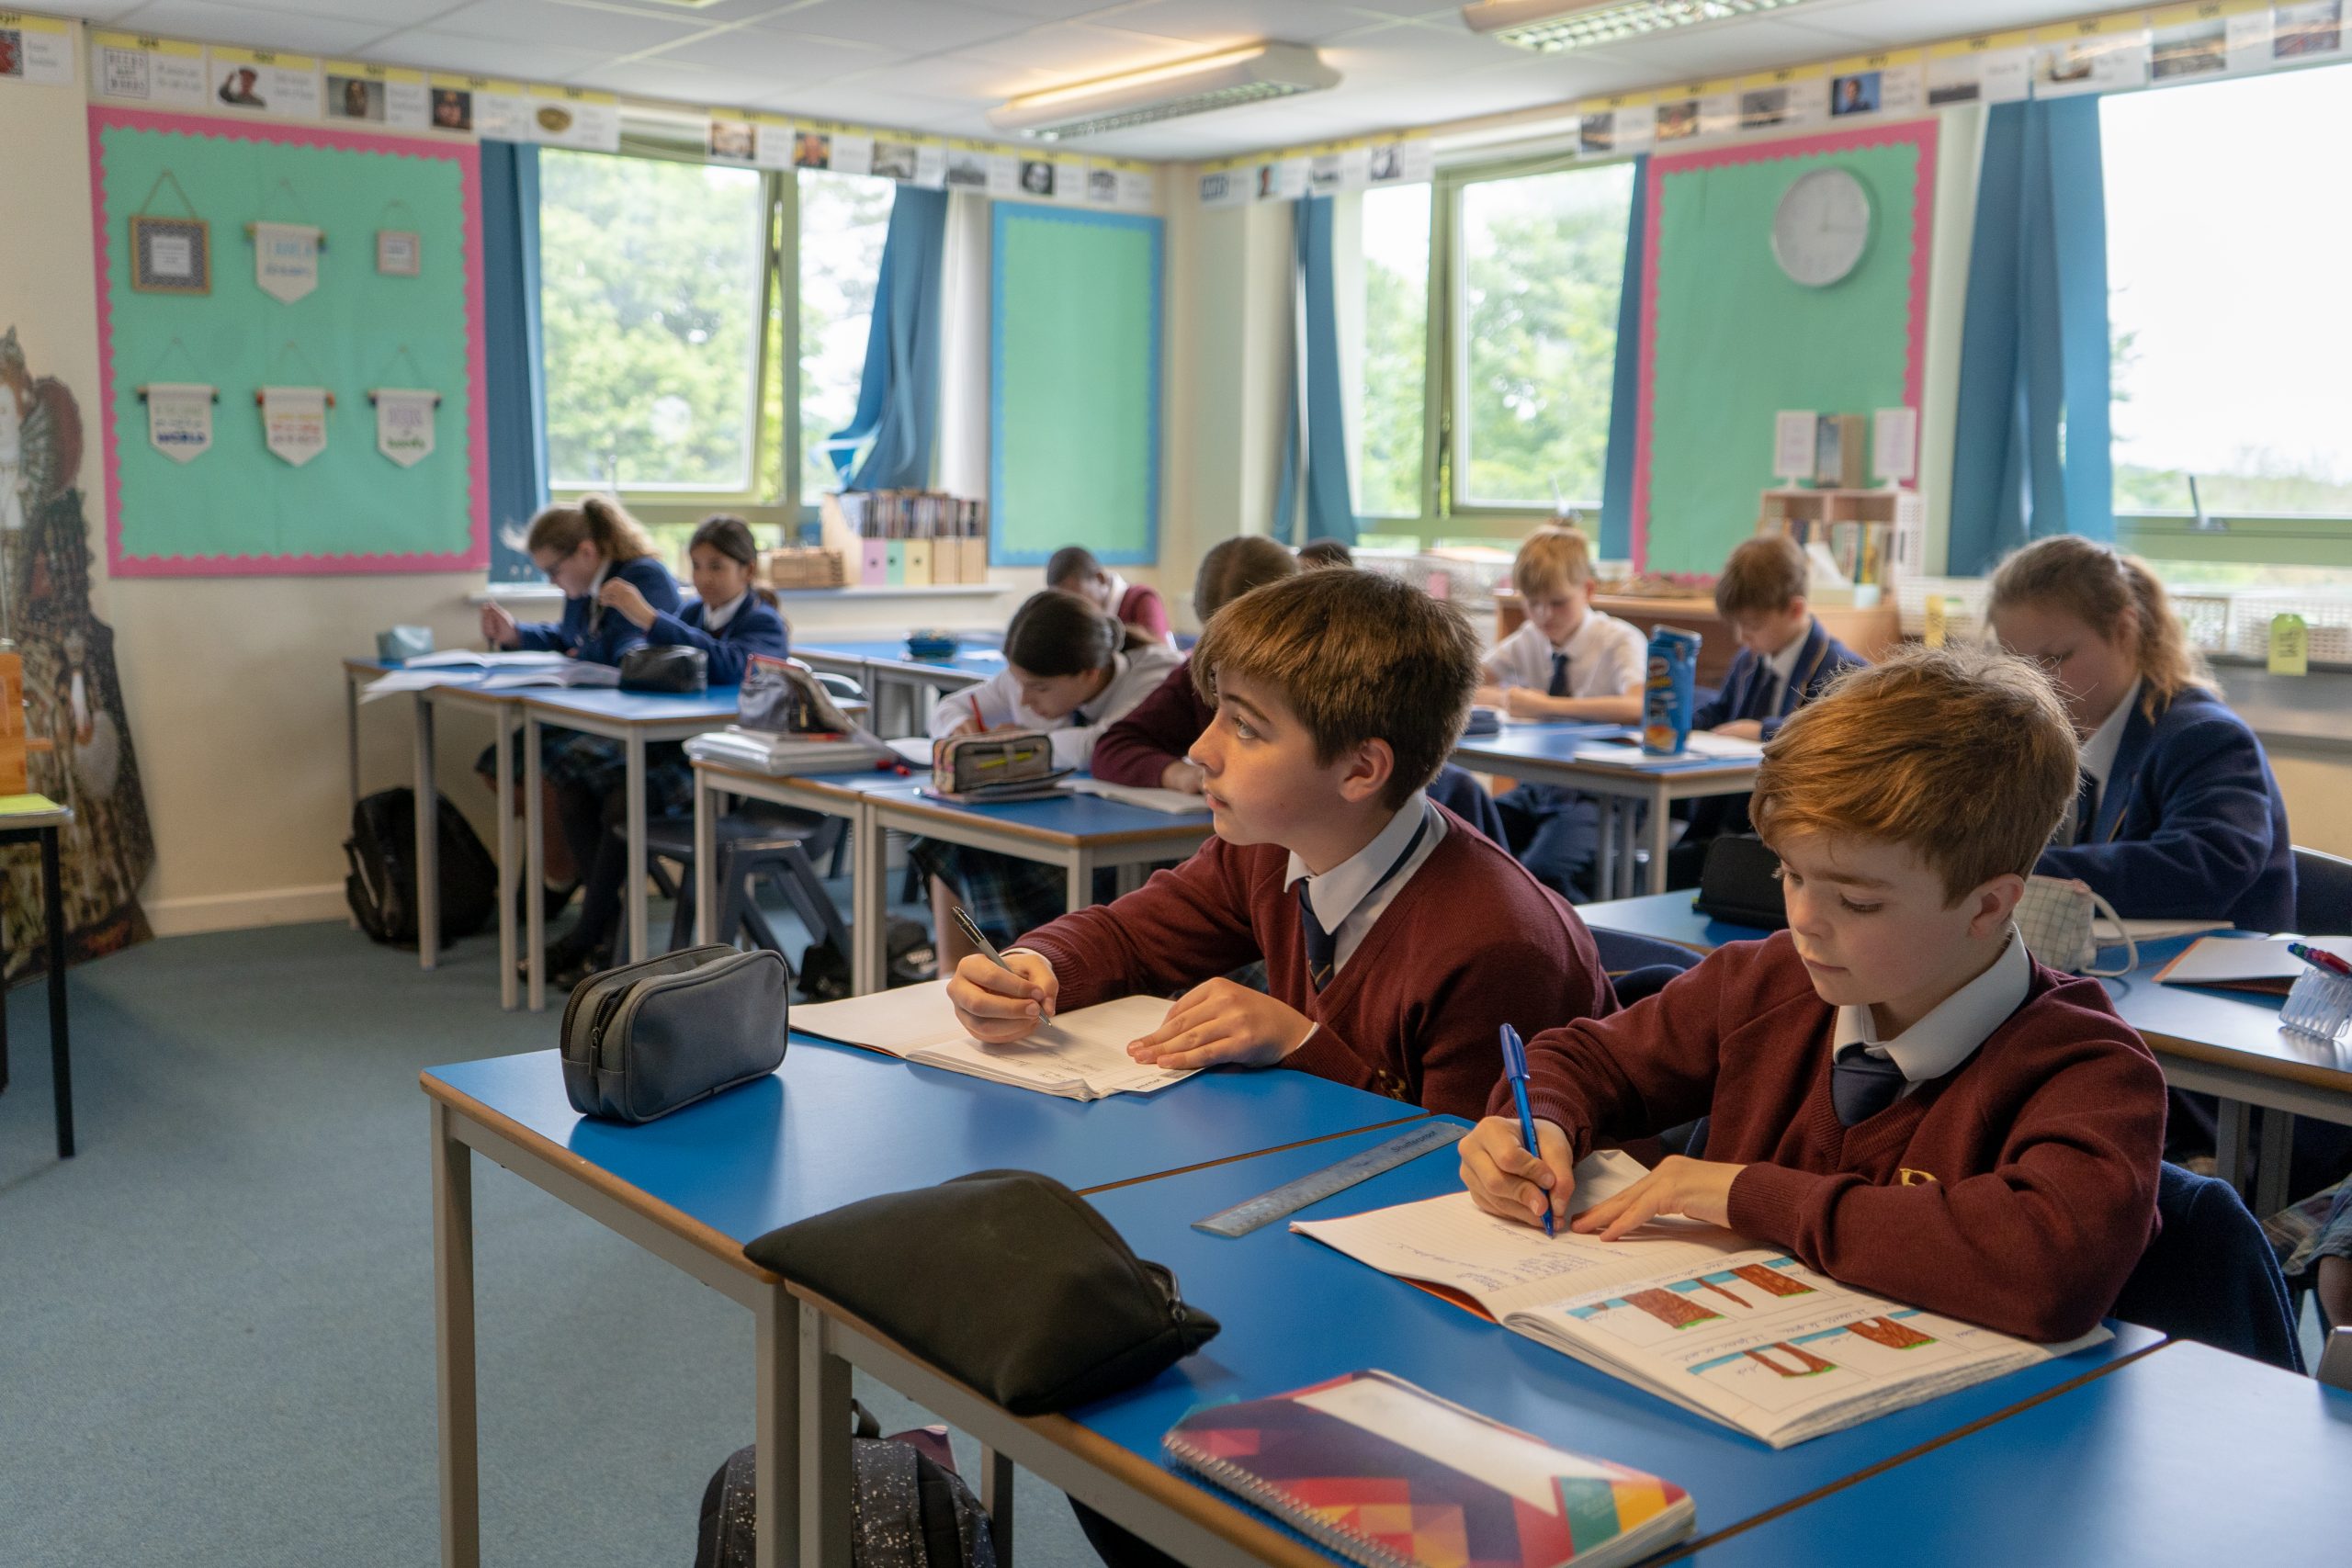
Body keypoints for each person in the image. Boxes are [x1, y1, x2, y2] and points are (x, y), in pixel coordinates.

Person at [1457, 645, 2167, 1343]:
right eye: (1790, 876)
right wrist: (1537, 1124)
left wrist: (1745, 1193)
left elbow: (2046, 1267)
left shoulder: (2089, 1070)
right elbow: (1585, 1060)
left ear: (1987, 906)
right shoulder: (1768, 982)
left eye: (1857, 902)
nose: (1803, 919)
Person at [945, 567, 1616, 1122]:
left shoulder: (1497, 946)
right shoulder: (1268, 848)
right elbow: (1131, 938)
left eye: (1245, 727)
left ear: (1360, 770)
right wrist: (1038, 964)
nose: (1201, 749)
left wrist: (1298, 1042)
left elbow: (1469, 1167)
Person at [1091, 536, 1507, 840]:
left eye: (1246, 725)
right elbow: (1116, 746)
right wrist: (1176, 773)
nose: (1201, 748)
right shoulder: (1256, 855)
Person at [1986, 536, 2294, 931]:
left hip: (2214, 979)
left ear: (2124, 630)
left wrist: (2008, 871)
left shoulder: (2205, 737)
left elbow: (2206, 867)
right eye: (2018, 663)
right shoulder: (2062, 733)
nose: (2036, 682)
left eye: (2058, 656)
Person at [540, 516, 789, 984]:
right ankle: (602, 923)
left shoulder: (763, 621)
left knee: (622, 803)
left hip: (728, 769)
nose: (704, 579)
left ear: (748, 571)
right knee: (572, 784)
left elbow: (731, 667)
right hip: (678, 751)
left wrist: (652, 619)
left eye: (717, 566)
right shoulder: (694, 616)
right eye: (696, 566)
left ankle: (589, 935)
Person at [917, 591, 1182, 964]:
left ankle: (1032, 965)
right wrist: (957, 727)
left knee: (983, 855)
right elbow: (951, 706)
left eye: (1039, 689)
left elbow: (1102, 745)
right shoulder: (1030, 676)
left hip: (1140, 838)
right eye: (1018, 683)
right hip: (1059, 823)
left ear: (1090, 673)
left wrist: (1021, 745)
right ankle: (951, 973)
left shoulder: (1154, 672)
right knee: (950, 839)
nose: (1023, 700)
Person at [473, 495, 681, 891]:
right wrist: (516, 633)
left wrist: (583, 652)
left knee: (554, 772)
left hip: (637, 720)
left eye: (554, 570)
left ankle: (565, 879)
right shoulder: (582, 590)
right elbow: (569, 638)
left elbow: (629, 652)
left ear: (587, 552)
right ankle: (568, 867)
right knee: (500, 761)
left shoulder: (642, 579)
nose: (552, 581)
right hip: (594, 711)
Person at [1669, 534, 1864, 886]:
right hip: (1727, 821)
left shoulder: (1843, 669)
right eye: (1737, 626)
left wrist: (1762, 730)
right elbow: (1720, 712)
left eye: (1753, 626)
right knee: (1668, 868)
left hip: (1786, 838)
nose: (1743, 637)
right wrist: (1674, 721)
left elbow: (1831, 739)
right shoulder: (1750, 659)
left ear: (1796, 609)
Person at [1476, 525, 1645, 898]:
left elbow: (1637, 706)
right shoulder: (1529, 637)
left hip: (1600, 794)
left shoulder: (1619, 639)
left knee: (1543, 875)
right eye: (1532, 602)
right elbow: (1465, 684)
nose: (1543, 614)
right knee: (1467, 847)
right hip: (1540, 787)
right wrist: (1505, 698)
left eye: (1557, 603)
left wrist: (1546, 706)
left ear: (1587, 590)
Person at [1046, 546, 1172, 646]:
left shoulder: (1142, 599)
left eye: (1078, 599)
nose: (1073, 608)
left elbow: (1158, 655)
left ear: (1100, 579)